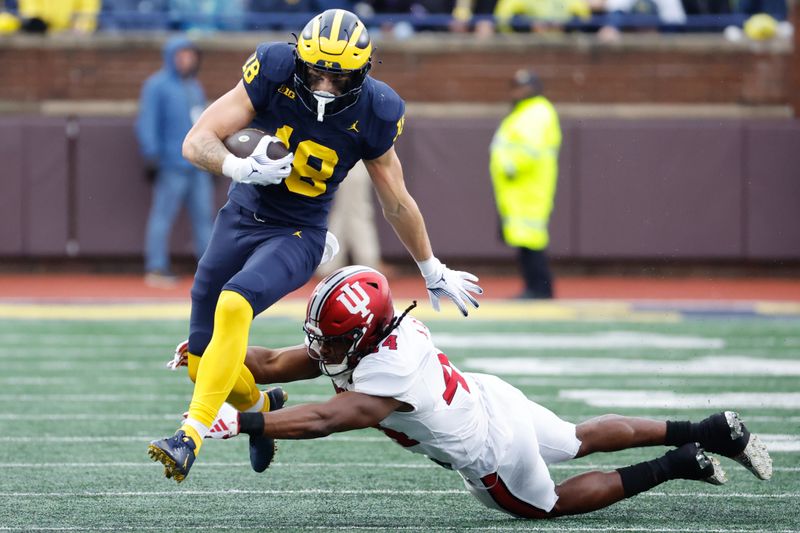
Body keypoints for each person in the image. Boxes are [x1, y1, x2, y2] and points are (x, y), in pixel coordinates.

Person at [147, 9, 483, 483]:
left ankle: (190, 436)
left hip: (299, 233)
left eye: (338, 76)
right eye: (316, 70)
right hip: (240, 217)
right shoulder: (274, 68)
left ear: (362, 74)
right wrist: (237, 167)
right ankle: (264, 408)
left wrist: (431, 267)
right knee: (200, 365)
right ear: (300, 60)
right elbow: (196, 140)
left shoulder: (377, 109)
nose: (324, 84)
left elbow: (397, 202)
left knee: (234, 303)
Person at [192, 265, 773, 519]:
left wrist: (239, 423)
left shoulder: (381, 374)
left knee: (549, 504)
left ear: (362, 335)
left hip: (490, 451)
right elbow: (267, 362)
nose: (319, 345)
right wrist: (209, 346)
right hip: (490, 399)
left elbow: (323, 419)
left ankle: (677, 464)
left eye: (330, 336)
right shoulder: (381, 338)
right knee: (577, 438)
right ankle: (708, 430)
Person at [136, 36, 213, 288]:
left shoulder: (195, 86)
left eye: (190, 55)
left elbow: (205, 123)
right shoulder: (156, 85)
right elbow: (147, 122)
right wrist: (151, 155)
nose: (186, 60)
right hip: (171, 165)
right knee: (162, 216)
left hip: (198, 166)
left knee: (206, 219)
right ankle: (156, 267)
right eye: (181, 55)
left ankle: (211, 268)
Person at [489, 69, 560, 299]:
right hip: (519, 189)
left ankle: (540, 288)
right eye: (517, 86)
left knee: (531, 240)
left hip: (529, 187)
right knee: (524, 239)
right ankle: (534, 286)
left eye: (524, 86)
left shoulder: (538, 111)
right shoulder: (524, 112)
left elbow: (530, 149)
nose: (519, 91)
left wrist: (511, 167)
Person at [315, 160, 386, 278]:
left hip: (347, 157)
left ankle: (329, 262)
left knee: (345, 210)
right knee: (357, 209)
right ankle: (368, 261)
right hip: (352, 156)